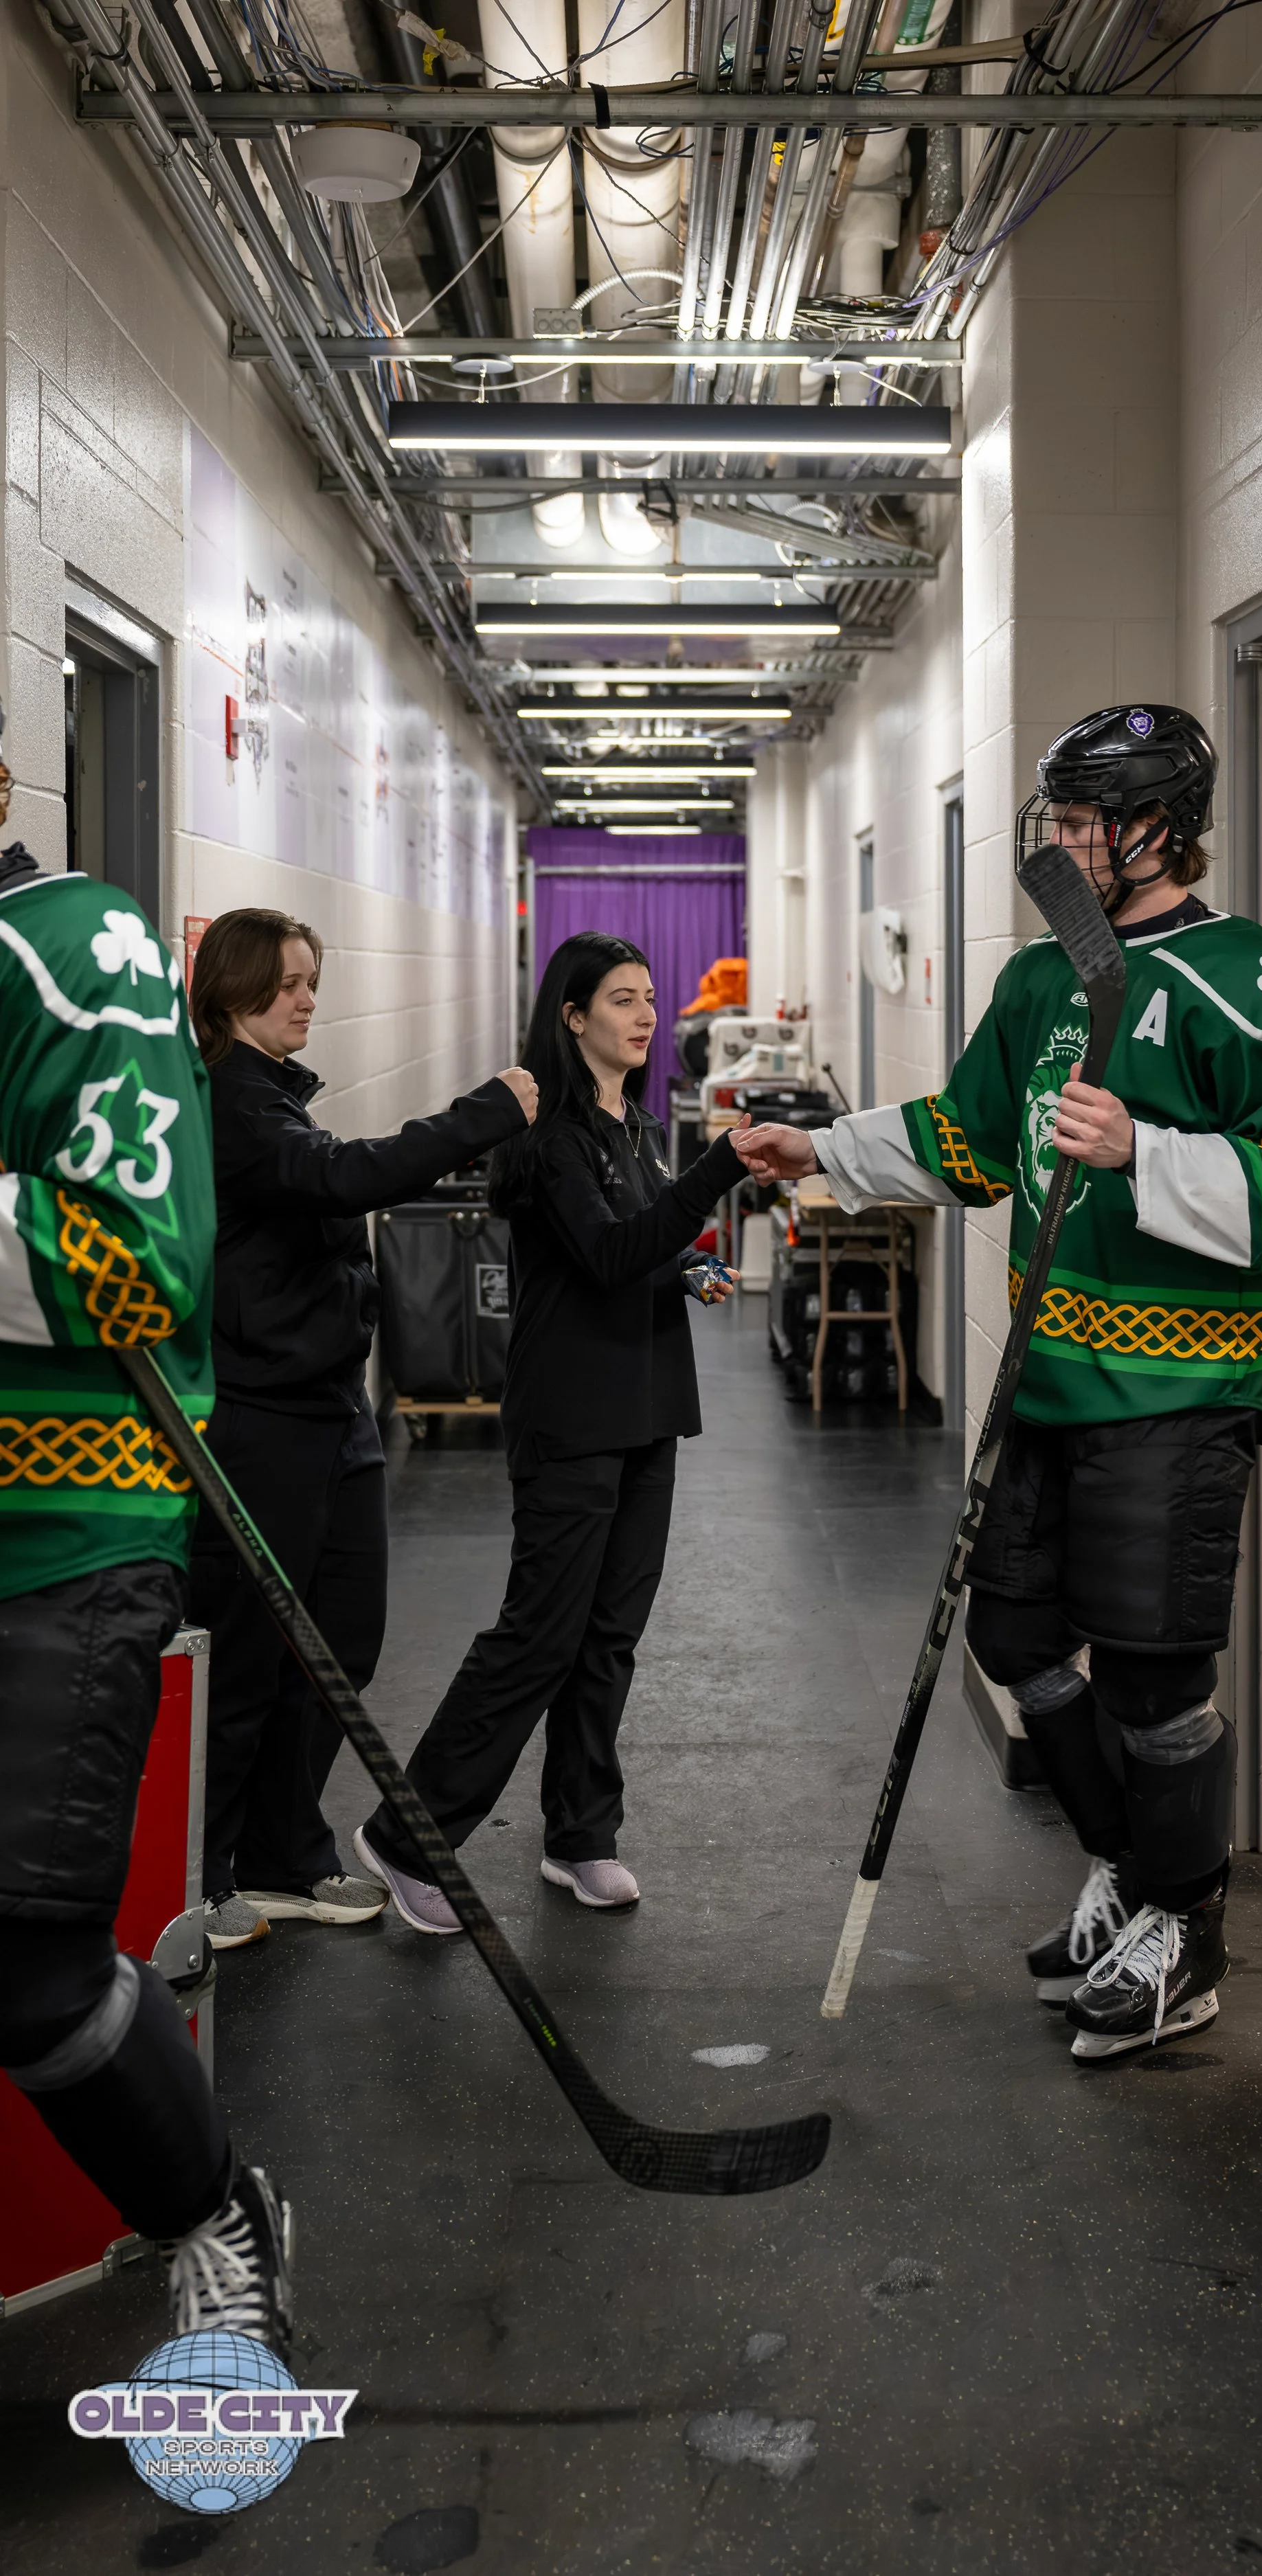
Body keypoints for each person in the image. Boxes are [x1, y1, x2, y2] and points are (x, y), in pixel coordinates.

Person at [733, 705, 1262, 2059]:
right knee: (1015, 1642)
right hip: (1045, 1385)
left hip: (1174, 1396)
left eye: (1085, 824)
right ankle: (1138, 1878)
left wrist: (1146, 1149)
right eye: (1056, 821)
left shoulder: (1254, 983)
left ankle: (1184, 1937)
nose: (1061, 844)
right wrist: (822, 1153)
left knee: (1151, 1681)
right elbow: (969, 1141)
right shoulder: (1036, 980)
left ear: (1156, 831)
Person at [0, 746, 291, 2350]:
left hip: (56, 1537)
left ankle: (210, 2210)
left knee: (31, 1972)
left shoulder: (74, 949)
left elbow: (134, 1266)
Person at [354, 933, 742, 1932]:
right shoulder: (551, 1138)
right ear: (572, 1016)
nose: (646, 1014)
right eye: (622, 998)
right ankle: (409, 1835)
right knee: (540, 1636)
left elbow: (645, 1242)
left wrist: (690, 1266)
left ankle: (581, 1835)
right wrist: (721, 1170)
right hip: (573, 1412)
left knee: (610, 1636)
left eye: (650, 997)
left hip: (648, 1403)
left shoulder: (632, 1125)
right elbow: (609, 1252)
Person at [186, 909, 537, 1950]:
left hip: (335, 1411)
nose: (307, 999)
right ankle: (206, 1874)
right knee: (251, 1654)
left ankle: (284, 1855)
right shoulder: (232, 1106)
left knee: (344, 1640)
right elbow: (349, 1177)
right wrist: (482, 1114)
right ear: (234, 991)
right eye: (287, 983)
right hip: (263, 1420)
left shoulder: (278, 1095)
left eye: (311, 979)